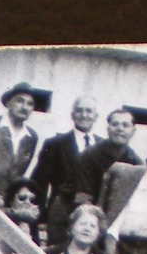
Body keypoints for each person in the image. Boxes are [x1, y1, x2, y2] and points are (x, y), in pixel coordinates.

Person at [34, 96, 101, 243]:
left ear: (96, 116)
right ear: (72, 115)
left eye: (89, 111)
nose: (84, 115)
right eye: (79, 111)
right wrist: (42, 217)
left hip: (92, 221)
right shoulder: (55, 144)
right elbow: (40, 182)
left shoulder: (103, 147)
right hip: (60, 216)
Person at [0, 82, 41, 199]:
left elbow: (19, 172)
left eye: (30, 104)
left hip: (3, 199)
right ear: (8, 103)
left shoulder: (31, 136)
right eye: (19, 101)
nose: (24, 107)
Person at [73, 109, 139, 206]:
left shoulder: (136, 163)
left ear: (133, 131)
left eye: (125, 125)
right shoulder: (89, 156)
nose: (120, 129)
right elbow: (82, 198)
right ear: (108, 129)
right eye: (115, 124)